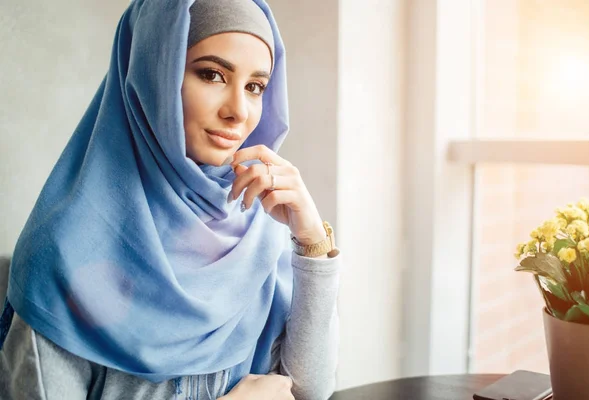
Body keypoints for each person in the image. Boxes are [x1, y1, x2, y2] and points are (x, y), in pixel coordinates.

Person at [0, 0, 341, 399]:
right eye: (212, 74)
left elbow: (310, 390)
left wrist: (312, 240)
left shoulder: (260, 228)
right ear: (152, 76)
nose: (238, 111)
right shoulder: (64, 253)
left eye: (255, 87)